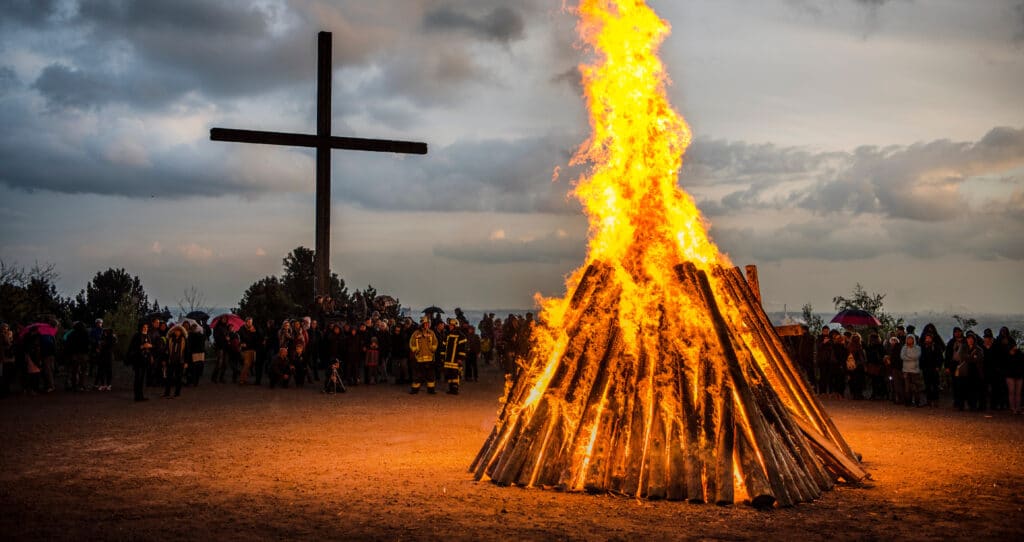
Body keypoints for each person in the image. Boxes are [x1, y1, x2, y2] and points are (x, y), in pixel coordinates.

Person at [409, 317, 438, 394]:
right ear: (421, 324)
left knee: (430, 375)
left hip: (430, 358)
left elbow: (435, 343)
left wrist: (432, 349)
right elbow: (411, 343)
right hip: (419, 358)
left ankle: (431, 390)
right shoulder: (416, 334)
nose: (426, 325)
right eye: (425, 324)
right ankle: (415, 390)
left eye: (427, 324)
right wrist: (415, 350)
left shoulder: (431, 333)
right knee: (418, 375)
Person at [440, 318, 468, 394]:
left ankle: (455, 389)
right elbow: (443, 347)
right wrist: (442, 357)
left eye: (452, 325)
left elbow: (463, 349)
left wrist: (460, 358)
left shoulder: (461, 336)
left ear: (455, 326)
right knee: (449, 374)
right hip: (448, 360)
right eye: (450, 325)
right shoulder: (447, 335)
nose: (450, 326)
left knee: (455, 374)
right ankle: (451, 389)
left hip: (455, 360)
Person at [127, 323, 154, 402]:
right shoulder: (137, 336)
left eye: (146, 327)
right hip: (138, 359)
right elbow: (133, 347)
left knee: (142, 378)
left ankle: (141, 395)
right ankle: (137, 396)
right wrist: (142, 346)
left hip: (145, 360)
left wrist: (150, 346)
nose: (145, 328)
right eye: (144, 327)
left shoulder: (148, 335)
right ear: (141, 328)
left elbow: (151, 346)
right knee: (138, 378)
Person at [163, 324, 187, 398]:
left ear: (181, 332)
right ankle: (167, 393)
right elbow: (166, 350)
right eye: (176, 330)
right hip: (171, 361)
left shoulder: (184, 340)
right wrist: (164, 360)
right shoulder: (170, 339)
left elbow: (187, 351)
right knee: (169, 378)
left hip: (180, 361)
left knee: (178, 377)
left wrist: (186, 362)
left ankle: (177, 393)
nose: (177, 332)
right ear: (173, 331)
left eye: (178, 331)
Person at [919, 333, 943, 407]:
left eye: (929, 338)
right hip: (926, 369)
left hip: (934, 369)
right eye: (926, 338)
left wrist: (938, 366)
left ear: (932, 339)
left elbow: (940, 357)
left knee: (935, 385)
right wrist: (921, 366)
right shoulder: (923, 347)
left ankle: (936, 401)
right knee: (927, 385)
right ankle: (929, 401)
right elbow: (921, 358)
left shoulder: (936, 347)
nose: (928, 339)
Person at [65, 321, 91, 392]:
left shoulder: (71, 334)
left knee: (74, 370)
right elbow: (88, 343)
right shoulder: (85, 333)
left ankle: (74, 386)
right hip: (83, 354)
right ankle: (81, 385)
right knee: (83, 371)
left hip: (74, 354)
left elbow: (68, 344)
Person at [900, 334, 923, 407]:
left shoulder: (918, 348)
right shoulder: (904, 348)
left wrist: (908, 357)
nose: (909, 340)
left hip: (915, 370)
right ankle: (908, 402)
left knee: (916, 387)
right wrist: (911, 358)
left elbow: (917, 356)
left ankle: (917, 402)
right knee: (907, 387)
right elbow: (902, 356)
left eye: (911, 339)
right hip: (906, 370)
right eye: (908, 339)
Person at [238, 317, 260, 385]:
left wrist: (254, 332)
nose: (250, 323)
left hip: (253, 348)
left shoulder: (253, 329)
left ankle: (245, 379)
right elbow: (243, 338)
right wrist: (250, 332)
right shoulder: (242, 329)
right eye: (249, 322)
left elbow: (256, 338)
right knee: (247, 364)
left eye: (251, 322)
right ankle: (242, 380)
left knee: (250, 365)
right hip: (246, 349)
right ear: (246, 322)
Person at [1006, 344, 1023, 414]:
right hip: (1010, 376)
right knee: (1012, 391)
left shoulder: (1019, 354)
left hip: (1019, 375)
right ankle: (1013, 408)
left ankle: (1018, 408)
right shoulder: (1007, 355)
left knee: (1018, 392)